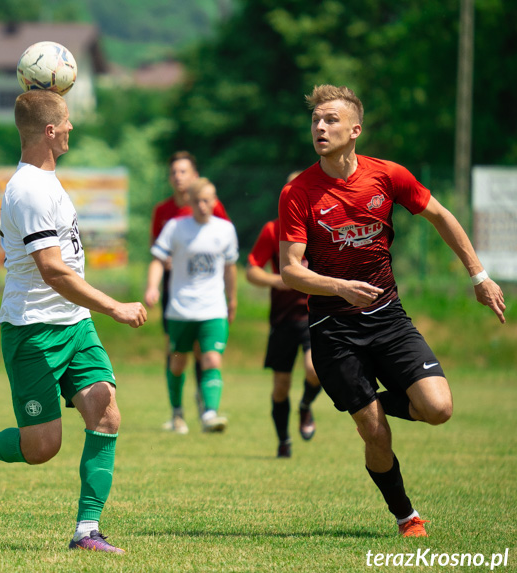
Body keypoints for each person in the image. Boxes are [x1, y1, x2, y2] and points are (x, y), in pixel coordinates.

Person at [278, 85, 506, 537]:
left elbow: (441, 215)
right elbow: (289, 271)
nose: (320, 128)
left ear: (355, 130)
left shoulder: (388, 176)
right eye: (315, 121)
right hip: (333, 328)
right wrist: (339, 287)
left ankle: (363, 408)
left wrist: (478, 276)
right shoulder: (298, 192)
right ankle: (406, 515)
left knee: (439, 408)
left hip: (388, 318)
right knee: (376, 434)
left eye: (330, 120)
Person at [0, 90, 147, 554]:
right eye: (64, 121)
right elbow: (53, 269)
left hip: (74, 324)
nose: (70, 128)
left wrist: (90, 312)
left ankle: (87, 531)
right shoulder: (27, 190)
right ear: (48, 130)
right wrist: (114, 307)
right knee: (43, 447)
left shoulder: (49, 181)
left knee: (106, 410)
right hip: (31, 330)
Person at [144, 177, 239, 433]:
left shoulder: (225, 230)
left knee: (211, 359)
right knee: (177, 362)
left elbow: (230, 268)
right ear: (189, 202)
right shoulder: (176, 227)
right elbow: (157, 259)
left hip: (213, 308)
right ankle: (177, 414)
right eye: (196, 201)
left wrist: (232, 298)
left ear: (215, 201)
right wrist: (152, 287)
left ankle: (209, 413)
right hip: (180, 308)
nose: (202, 206)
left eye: (207, 200)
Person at [247, 171, 322, 458]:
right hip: (282, 319)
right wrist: (278, 280)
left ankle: (304, 406)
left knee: (315, 369)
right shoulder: (272, 230)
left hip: (314, 313)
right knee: (280, 386)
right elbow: (252, 269)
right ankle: (283, 441)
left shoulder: (320, 228)